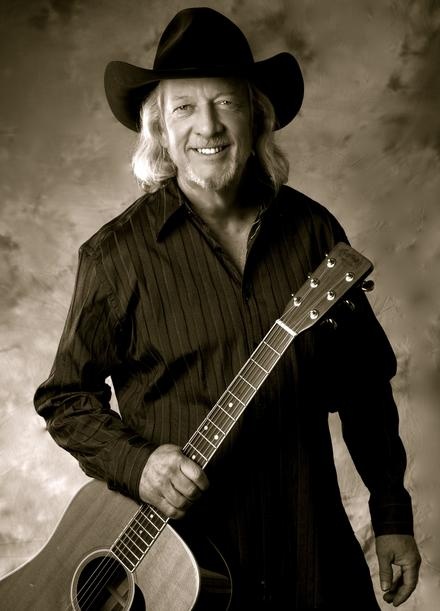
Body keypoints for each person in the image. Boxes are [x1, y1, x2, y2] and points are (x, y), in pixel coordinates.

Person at [34, 7, 421, 610]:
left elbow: (365, 386)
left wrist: (392, 513)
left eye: (226, 103)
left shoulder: (314, 233)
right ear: (159, 125)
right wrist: (138, 466)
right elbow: (65, 399)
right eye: (184, 106)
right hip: (175, 574)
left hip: (310, 554)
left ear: (256, 115)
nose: (207, 126)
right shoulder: (115, 255)